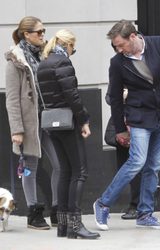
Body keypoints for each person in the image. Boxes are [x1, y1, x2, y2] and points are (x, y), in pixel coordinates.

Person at [93, 20, 160, 231]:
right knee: (137, 161)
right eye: (116, 46)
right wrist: (120, 129)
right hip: (139, 116)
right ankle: (103, 203)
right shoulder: (118, 62)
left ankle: (145, 213)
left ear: (133, 37)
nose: (118, 49)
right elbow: (116, 98)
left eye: (120, 44)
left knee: (153, 166)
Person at [36, 29, 100, 239]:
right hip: (68, 122)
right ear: (68, 45)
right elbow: (72, 95)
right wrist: (84, 120)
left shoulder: (43, 63)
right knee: (79, 172)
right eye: (74, 48)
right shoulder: (62, 63)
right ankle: (75, 225)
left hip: (51, 123)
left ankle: (63, 226)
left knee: (65, 171)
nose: (73, 52)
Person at [5, 16, 51, 230]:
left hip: (51, 118)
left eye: (43, 31)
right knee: (30, 167)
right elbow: (12, 99)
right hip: (30, 122)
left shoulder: (45, 54)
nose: (43, 35)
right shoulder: (15, 59)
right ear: (26, 34)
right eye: (39, 32)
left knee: (59, 163)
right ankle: (33, 212)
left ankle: (59, 208)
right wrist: (17, 130)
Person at [105, 85, 141, 220]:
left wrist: (130, 95)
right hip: (122, 128)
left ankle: (136, 205)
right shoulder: (118, 73)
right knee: (123, 168)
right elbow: (108, 98)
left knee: (138, 167)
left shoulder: (143, 71)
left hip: (139, 125)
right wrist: (120, 96)